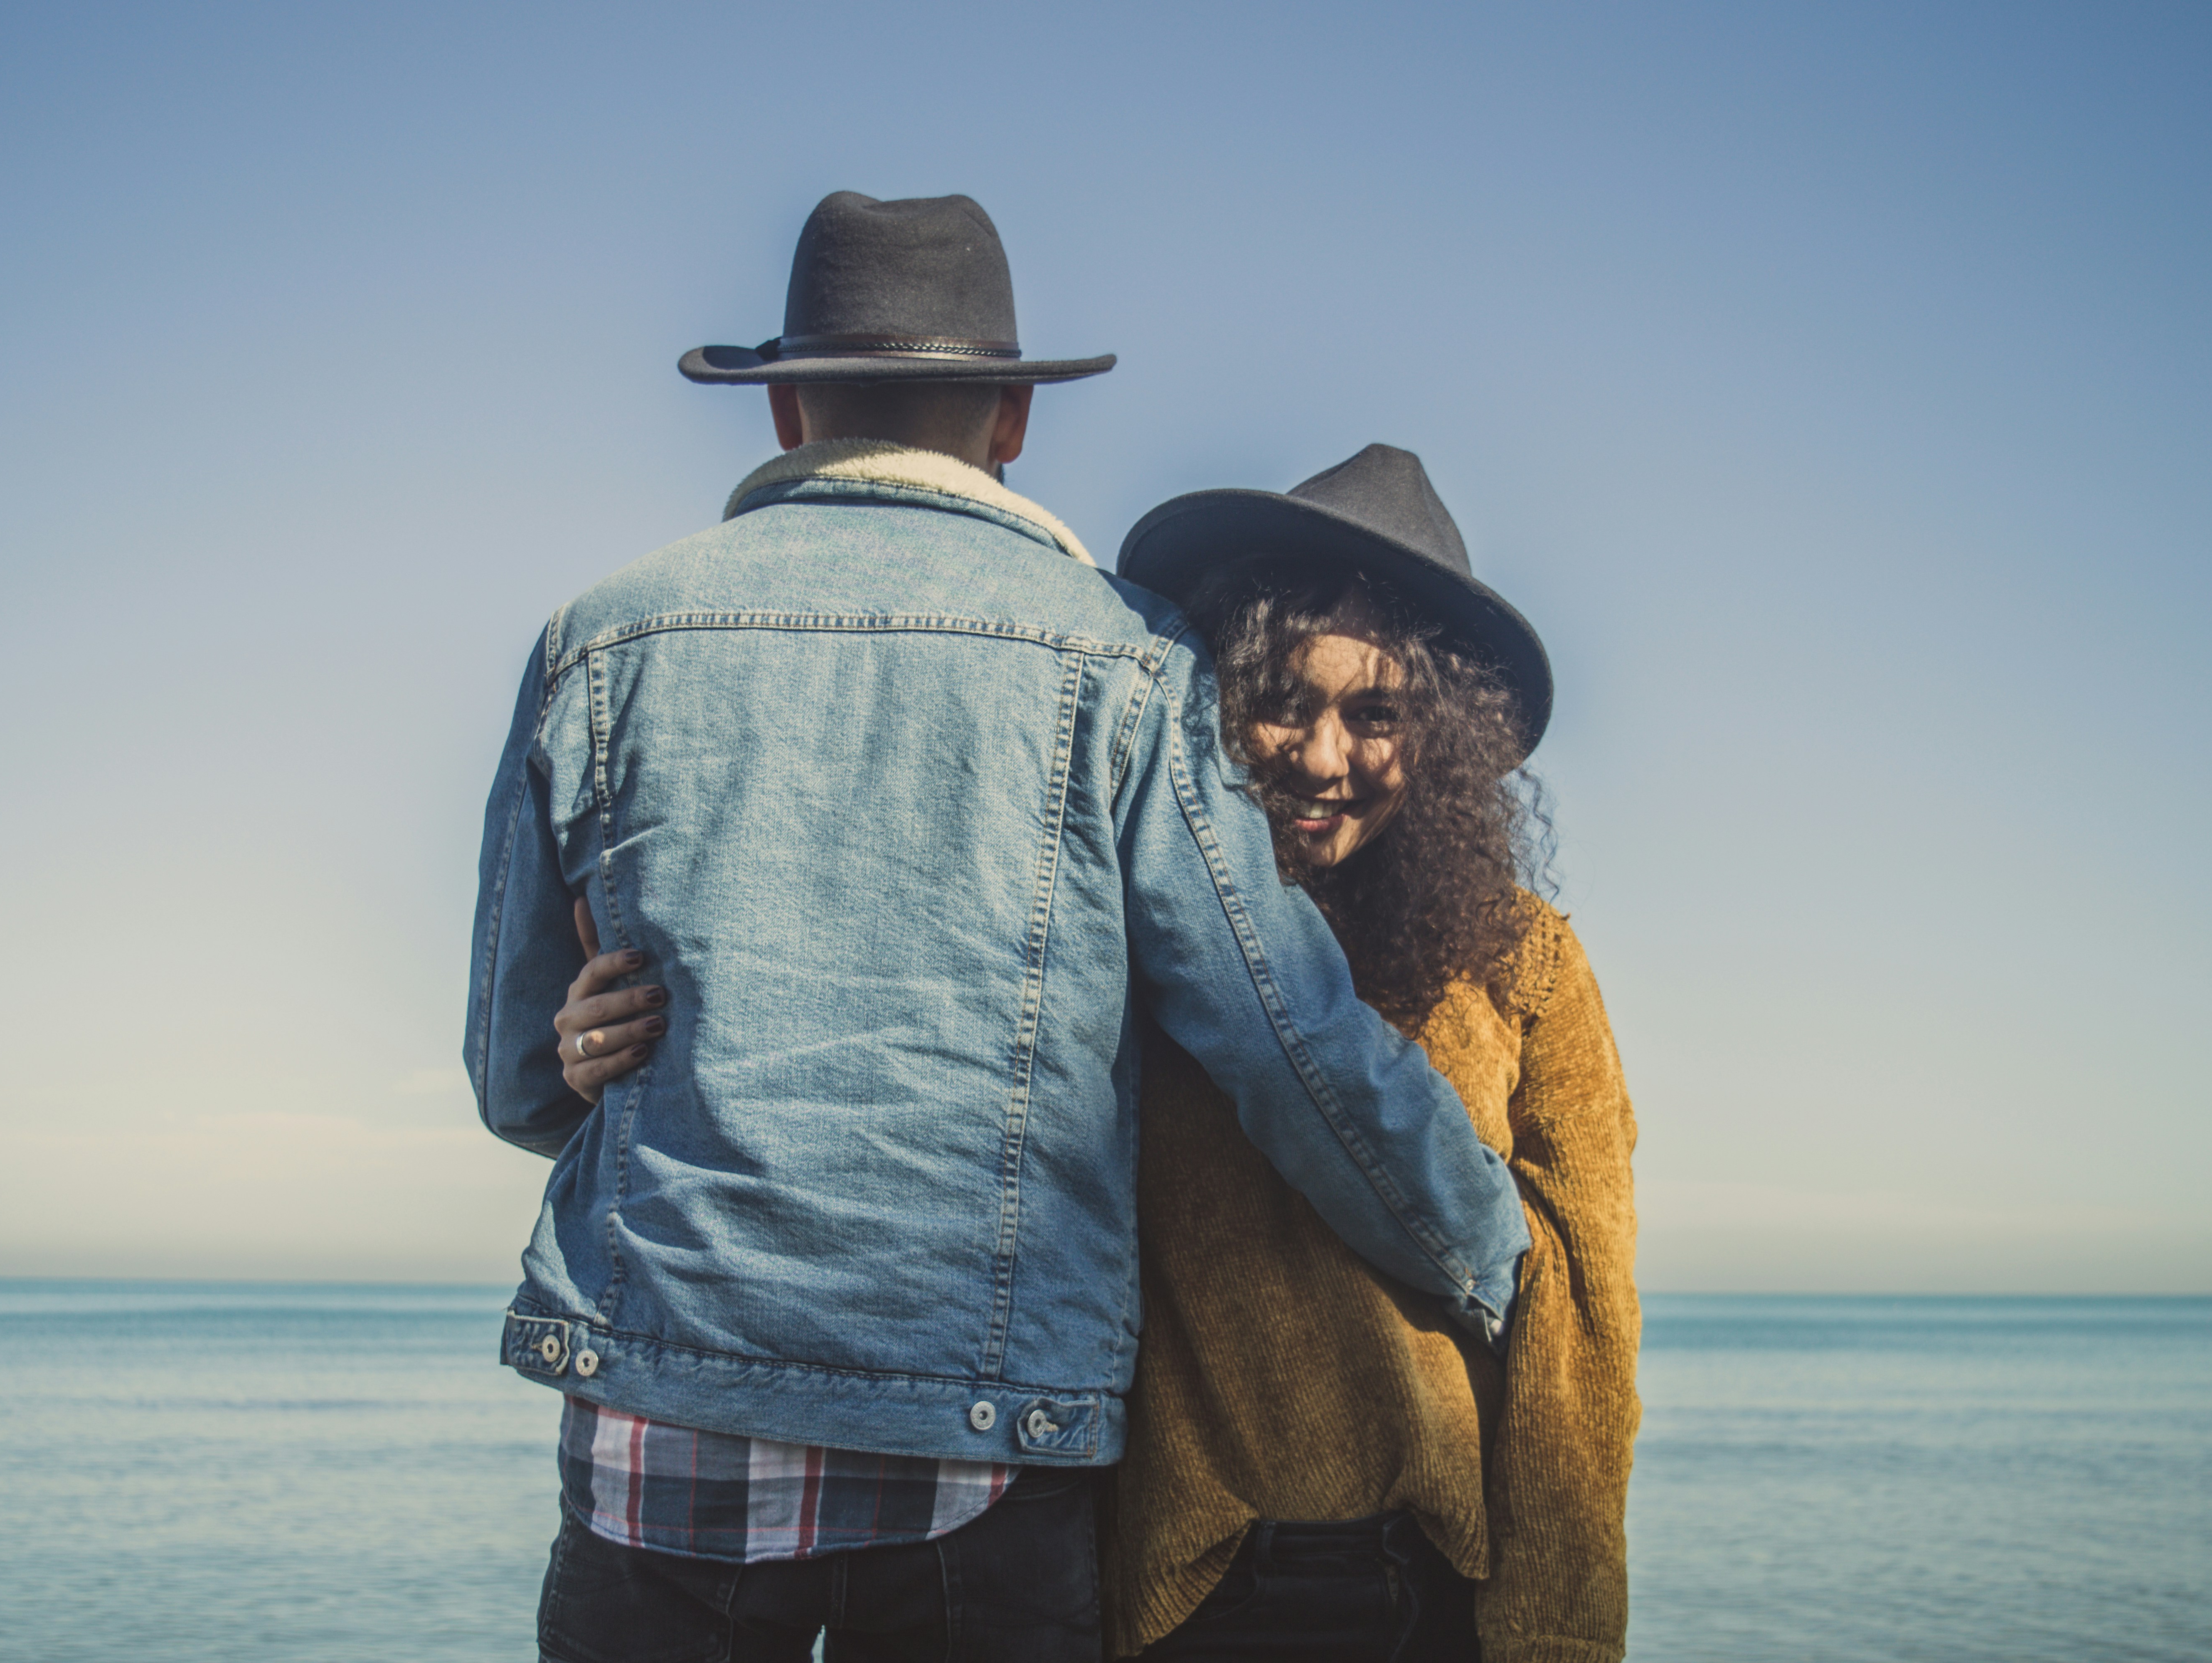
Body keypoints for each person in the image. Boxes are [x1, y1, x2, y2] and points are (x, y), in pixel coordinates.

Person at [467, 193, 1530, 1663]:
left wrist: (593, 1055)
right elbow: (1280, 1029)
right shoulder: (1124, 654)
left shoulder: (598, 639)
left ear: (783, 408)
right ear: (1014, 420)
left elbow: (520, 1076)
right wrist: (1483, 1240)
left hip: (661, 1438)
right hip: (986, 1460)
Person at [555, 445, 1643, 1661]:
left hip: (1434, 1577)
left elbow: (1581, 1327)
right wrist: (609, 1052)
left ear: (1439, 737)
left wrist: (1558, 1638)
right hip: (1172, 1583)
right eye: (1284, 700)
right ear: (1211, 702)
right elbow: (894, 1059)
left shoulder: (1524, 962)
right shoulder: (1105, 931)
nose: (1326, 757)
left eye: (1377, 715)